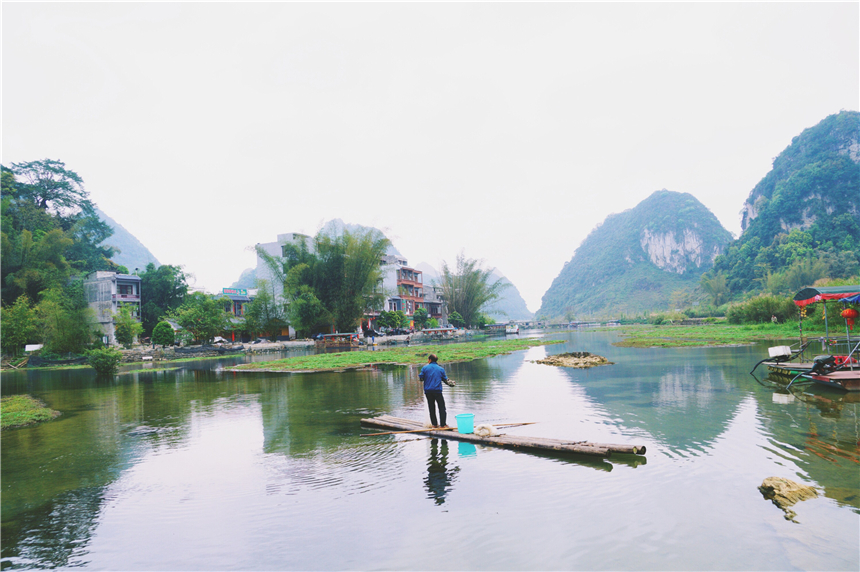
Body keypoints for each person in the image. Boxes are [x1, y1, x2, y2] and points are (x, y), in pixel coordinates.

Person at [419, 353, 449, 428]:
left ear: (429, 360)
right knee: (441, 407)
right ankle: (443, 425)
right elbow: (445, 380)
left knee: (431, 407)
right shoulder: (441, 369)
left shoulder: (425, 368)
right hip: (437, 391)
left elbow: (421, 378)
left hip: (428, 391)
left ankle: (434, 424)